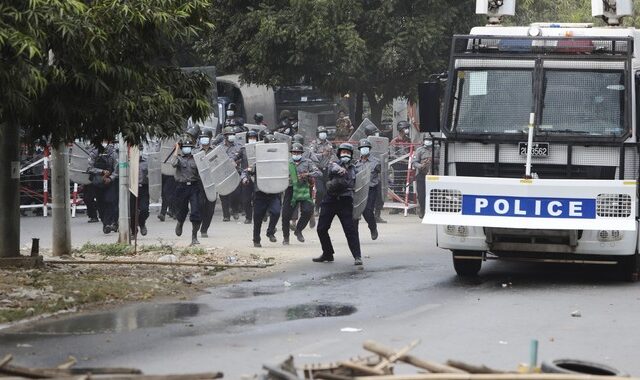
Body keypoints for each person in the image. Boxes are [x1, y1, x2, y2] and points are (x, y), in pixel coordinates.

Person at [313, 143, 362, 266]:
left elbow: (360, 184)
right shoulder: (333, 163)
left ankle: (357, 256)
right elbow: (332, 168)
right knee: (321, 228)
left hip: (345, 201)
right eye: (343, 152)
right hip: (330, 200)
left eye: (348, 153)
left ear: (351, 155)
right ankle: (327, 253)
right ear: (339, 154)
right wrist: (339, 169)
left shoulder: (355, 168)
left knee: (350, 230)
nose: (345, 155)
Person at [243, 134, 282, 247]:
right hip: (260, 193)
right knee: (258, 217)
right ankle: (256, 239)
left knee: (276, 212)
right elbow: (246, 171)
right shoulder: (258, 162)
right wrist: (245, 178)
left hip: (274, 192)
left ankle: (270, 232)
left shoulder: (281, 162)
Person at [282, 143, 321, 245]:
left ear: (301, 153)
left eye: (298, 152)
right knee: (286, 215)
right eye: (294, 152)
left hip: (304, 189)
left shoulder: (307, 162)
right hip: (291, 190)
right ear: (291, 153)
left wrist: (307, 175)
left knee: (308, 211)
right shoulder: (286, 163)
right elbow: (280, 176)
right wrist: (290, 179)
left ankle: (298, 230)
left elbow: (318, 173)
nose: (296, 154)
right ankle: (286, 237)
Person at [171, 136, 202, 246]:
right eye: (185, 147)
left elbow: (203, 170)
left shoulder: (196, 158)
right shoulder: (179, 158)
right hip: (181, 187)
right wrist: (176, 148)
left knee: (195, 212)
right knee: (182, 211)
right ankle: (180, 222)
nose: (187, 149)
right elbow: (173, 163)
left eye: (189, 147)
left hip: (194, 187)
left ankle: (194, 237)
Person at [87, 139, 119, 234]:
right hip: (98, 182)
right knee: (100, 204)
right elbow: (89, 168)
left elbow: (117, 169)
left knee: (110, 201)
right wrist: (101, 172)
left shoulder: (113, 153)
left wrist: (111, 178)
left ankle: (110, 223)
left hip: (110, 182)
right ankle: (106, 224)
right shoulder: (94, 152)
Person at [355, 138, 380, 240]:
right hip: (359, 190)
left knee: (367, 211)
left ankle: (373, 228)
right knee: (355, 214)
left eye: (366, 148)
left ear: (369, 149)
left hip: (371, 189)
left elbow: (383, 173)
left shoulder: (376, 162)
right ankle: (354, 236)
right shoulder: (356, 163)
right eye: (362, 148)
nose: (364, 150)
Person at [219, 126, 245, 221]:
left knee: (236, 193)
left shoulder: (239, 146)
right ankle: (226, 215)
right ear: (225, 136)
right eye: (229, 135)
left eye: (233, 135)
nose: (231, 137)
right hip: (223, 173)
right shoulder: (220, 147)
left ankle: (234, 210)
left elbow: (243, 157)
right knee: (223, 194)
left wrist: (237, 162)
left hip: (235, 172)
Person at [309, 126, 335, 214]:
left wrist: (331, 162)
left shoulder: (329, 143)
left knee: (328, 190)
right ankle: (317, 207)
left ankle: (326, 208)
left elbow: (332, 155)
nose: (323, 135)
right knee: (320, 190)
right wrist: (322, 155)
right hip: (318, 170)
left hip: (327, 170)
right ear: (317, 134)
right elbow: (311, 156)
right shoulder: (314, 144)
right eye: (321, 133)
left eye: (324, 132)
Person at [196, 129, 217, 237]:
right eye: (202, 137)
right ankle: (198, 223)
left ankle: (204, 229)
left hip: (213, 182)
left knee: (210, 208)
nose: (204, 139)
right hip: (199, 183)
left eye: (206, 137)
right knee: (199, 205)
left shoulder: (215, 151)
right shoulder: (195, 152)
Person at [389, 121, 412, 214]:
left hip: (407, 165)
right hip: (398, 165)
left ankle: (408, 205)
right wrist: (401, 159)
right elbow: (392, 154)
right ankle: (396, 206)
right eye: (405, 128)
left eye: (407, 128)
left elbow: (411, 150)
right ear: (400, 129)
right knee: (397, 185)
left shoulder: (409, 140)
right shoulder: (395, 141)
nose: (407, 130)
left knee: (407, 185)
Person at [412, 135, 438, 219]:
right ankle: (422, 210)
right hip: (421, 175)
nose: (428, 141)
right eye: (427, 140)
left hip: (434, 175)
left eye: (430, 140)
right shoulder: (420, 150)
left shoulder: (437, 149)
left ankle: (432, 211)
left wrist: (432, 160)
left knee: (433, 194)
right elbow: (414, 162)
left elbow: (442, 159)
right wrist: (421, 165)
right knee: (421, 194)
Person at [240, 130, 260, 224]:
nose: (252, 140)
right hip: (246, 176)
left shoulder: (261, 148)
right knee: (246, 199)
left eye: (254, 138)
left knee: (258, 198)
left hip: (258, 177)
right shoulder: (243, 149)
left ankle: (260, 215)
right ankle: (248, 217)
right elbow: (234, 158)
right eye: (250, 138)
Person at [130, 146, 150, 236]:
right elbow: (118, 172)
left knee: (144, 209)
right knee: (132, 212)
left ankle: (142, 223)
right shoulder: (128, 162)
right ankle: (134, 231)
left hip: (143, 188)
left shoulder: (147, 162)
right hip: (131, 189)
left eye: (140, 150)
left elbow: (153, 175)